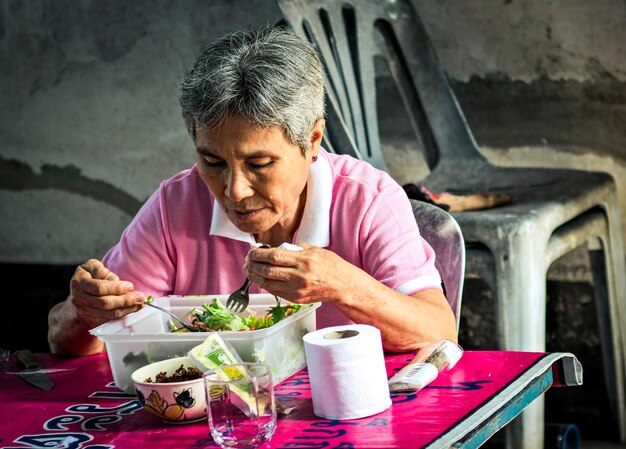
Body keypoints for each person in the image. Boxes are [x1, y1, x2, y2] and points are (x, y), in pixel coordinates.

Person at [48, 26, 457, 357]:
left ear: (313, 140)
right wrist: (81, 312)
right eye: (213, 162)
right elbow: (71, 344)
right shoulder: (176, 204)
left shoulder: (367, 200)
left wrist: (344, 286)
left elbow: (439, 332)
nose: (235, 191)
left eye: (259, 164)